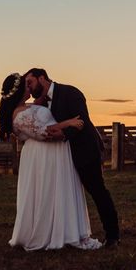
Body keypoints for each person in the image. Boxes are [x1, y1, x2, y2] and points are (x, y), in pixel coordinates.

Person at [0, 73, 103, 251]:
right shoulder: (19, 115)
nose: (29, 88)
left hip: (55, 154)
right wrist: (68, 123)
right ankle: (47, 233)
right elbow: (43, 133)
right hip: (43, 155)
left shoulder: (27, 107)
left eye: (29, 83)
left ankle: (66, 230)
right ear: (18, 91)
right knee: (46, 191)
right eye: (26, 85)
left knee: (59, 190)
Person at [24, 68, 120, 247]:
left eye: (30, 82)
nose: (28, 88)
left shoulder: (71, 93)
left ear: (42, 78)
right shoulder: (40, 103)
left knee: (97, 190)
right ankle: (63, 234)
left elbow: (81, 121)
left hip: (84, 151)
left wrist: (62, 133)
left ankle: (113, 235)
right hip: (60, 159)